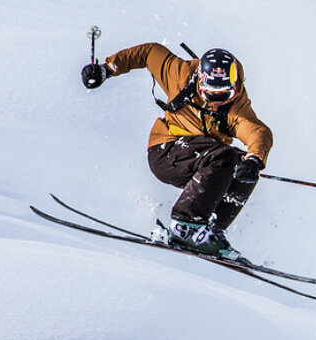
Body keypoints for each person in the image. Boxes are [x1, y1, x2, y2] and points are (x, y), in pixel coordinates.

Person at [80, 43, 272, 259]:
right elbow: (149, 53)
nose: (217, 101)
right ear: (201, 82)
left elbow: (257, 132)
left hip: (201, 161)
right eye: (211, 94)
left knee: (241, 166)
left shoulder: (237, 105)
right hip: (166, 151)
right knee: (224, 156)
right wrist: (107, 69)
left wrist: (254, 160)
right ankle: (186, 224)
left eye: (224, 94)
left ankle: (210, 231)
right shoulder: (180, 73)